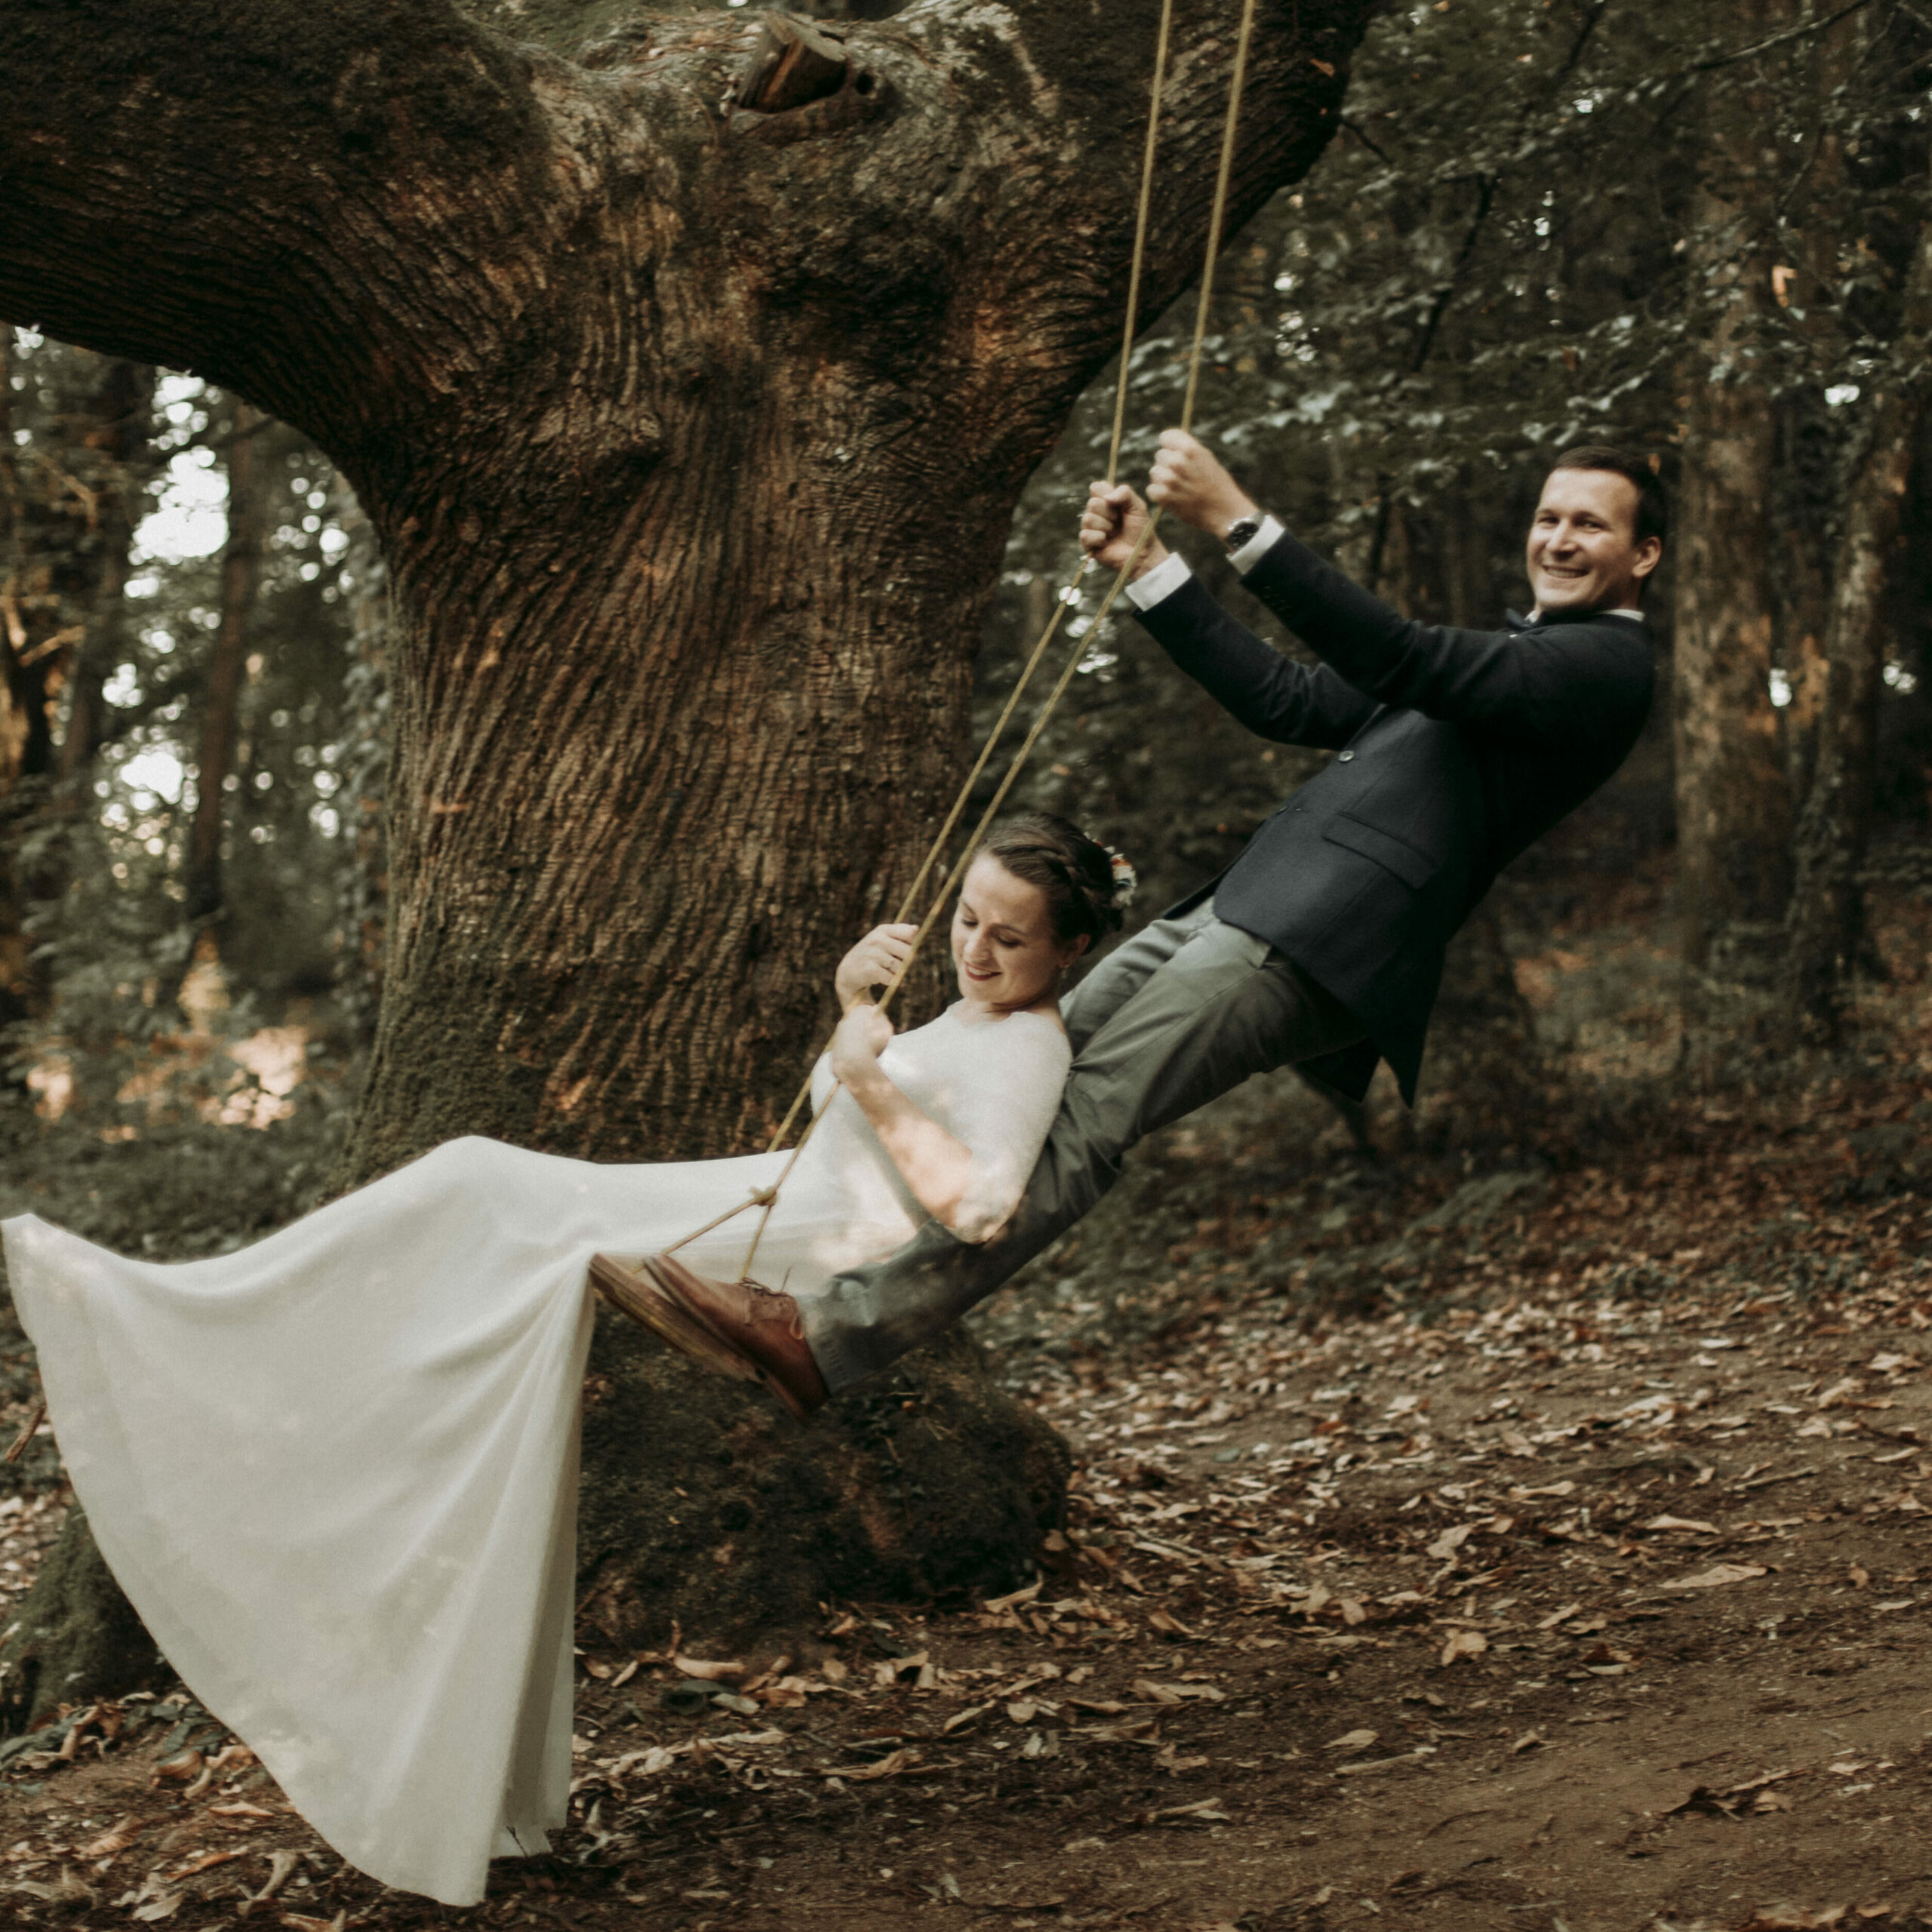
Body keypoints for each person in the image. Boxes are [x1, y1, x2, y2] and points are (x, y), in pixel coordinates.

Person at [0, 811, 1121, 1906]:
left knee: (476, 1180)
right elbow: (862, 1103)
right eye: (968, 920)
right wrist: (853, 1006)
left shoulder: (1030, 1044)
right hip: (773, 1195)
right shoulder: (977, 1023)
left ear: (1069, 950)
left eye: (1009, 937)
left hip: (802, 1241)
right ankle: (283, 1375)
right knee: (476, 1227)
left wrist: (868, 1072)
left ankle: (195, 1318)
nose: (976, 950)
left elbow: (981, 1207)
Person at [640, 430, 1661, 1409]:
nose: (1559, 540)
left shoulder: (1600, 672)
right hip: (1239, 908)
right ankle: (803, 1263)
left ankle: (821, 1337)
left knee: (1082, 1121)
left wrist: (1239, 519)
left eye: (1591, 526)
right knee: (1022, 1065)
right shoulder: (1513, 657)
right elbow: (1288, 699)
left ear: (1642, 555)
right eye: (1547, 517)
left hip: (1306, 944)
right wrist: (1152, 565)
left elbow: (1402, 657)